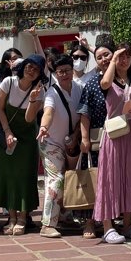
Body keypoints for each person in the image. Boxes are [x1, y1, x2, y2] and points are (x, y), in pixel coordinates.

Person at [94, 43, 131, 244]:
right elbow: (105, 84)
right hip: (114, 133)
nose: (124, 60)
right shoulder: (107, 78)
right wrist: (113, 59)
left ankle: (127, 224)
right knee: (110, 178)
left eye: (127, 56)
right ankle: (108, 227)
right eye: (120, 56)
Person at [0, 54, 45, 235]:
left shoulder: (39, 90)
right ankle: (11, 217)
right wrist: (7, 132)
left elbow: (30, 119)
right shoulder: (8, 82)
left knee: (24, 177)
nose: (31, 71)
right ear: (23, 67)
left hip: (27, 139)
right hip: (7, 136)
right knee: (7, 176)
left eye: (36, 69)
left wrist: (33, 99)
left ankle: (22, 218)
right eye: (29, 66)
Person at [37, 55, 83, 238]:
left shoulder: (80, 88)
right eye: (60, 72)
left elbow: (84, 114)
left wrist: (76, 136)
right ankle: (47, 223)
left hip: (73, 141)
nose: (64, 74)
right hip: (51, 143)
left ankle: (66, 214)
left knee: (71, 178)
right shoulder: (51, 93)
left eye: (67, 70)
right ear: (55, 74)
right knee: (56, 179)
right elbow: (48, 112)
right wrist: (43, 127)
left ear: (73, 70)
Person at [78, 36, 113, 239]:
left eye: (106, 54)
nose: (104, 59)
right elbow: (84, 113)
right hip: (97, 140)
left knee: (113, 181)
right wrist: (84, 138)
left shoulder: (123, 80)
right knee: (94, 180)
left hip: (120, 138)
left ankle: (113, 219)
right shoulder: (91, 84)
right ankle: (90, 221)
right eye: (99, 57)